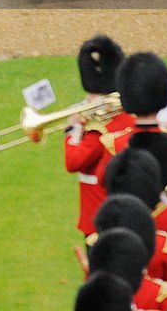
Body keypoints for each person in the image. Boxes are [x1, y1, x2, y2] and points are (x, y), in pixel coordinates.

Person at [63, 34, 135, 236]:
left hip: (98, 221)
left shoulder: (97, 129)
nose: (87, 99)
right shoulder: (130, 118)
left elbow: (72, 162)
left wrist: (73, 130)